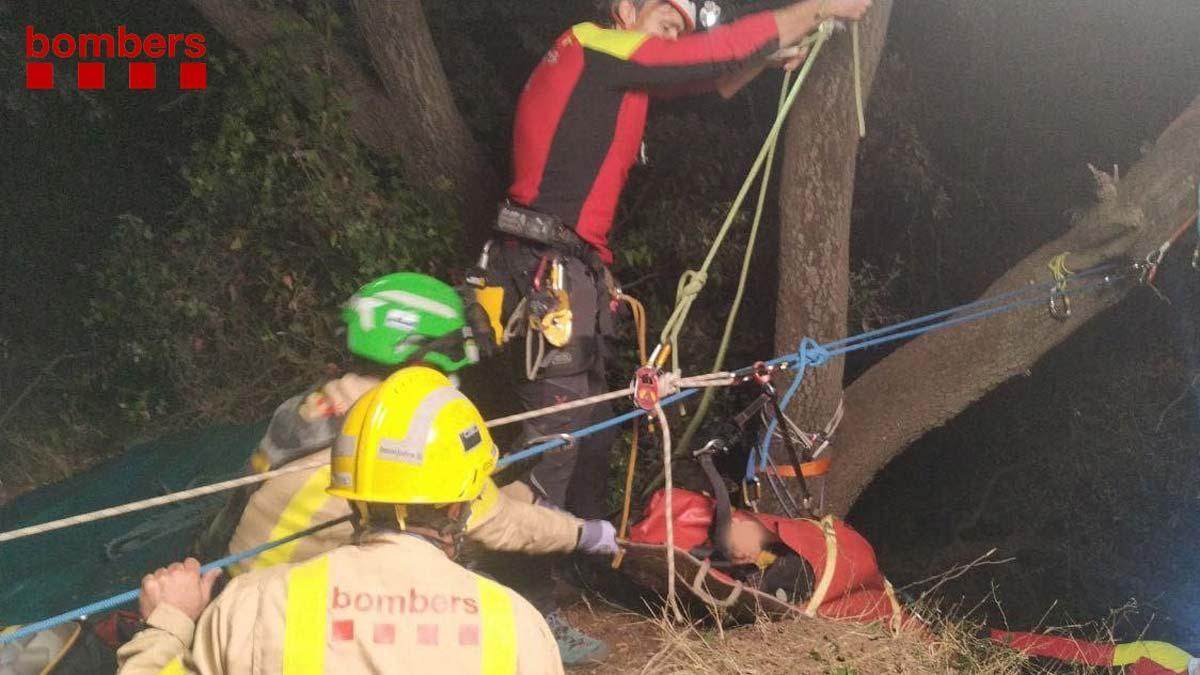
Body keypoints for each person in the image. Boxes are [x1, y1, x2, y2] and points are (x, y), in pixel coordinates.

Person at [470, 0, 872, 659]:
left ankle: (564, 577)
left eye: (686, 19)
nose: (679, 24)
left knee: (591, 442)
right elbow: (700, 61)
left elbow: (706, 77)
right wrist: (814, 9)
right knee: (559, 441)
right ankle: (519, 608)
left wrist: (766, 59)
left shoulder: (618, 68)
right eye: (665, 11)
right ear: (626, 6)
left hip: (572, 270)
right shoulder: (596, 44)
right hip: (543, 268)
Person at [117, 367, 565, 675]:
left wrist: (168, 622)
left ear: (351, 495)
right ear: (457, 507)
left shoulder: (252, 605)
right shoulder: (518, 627)